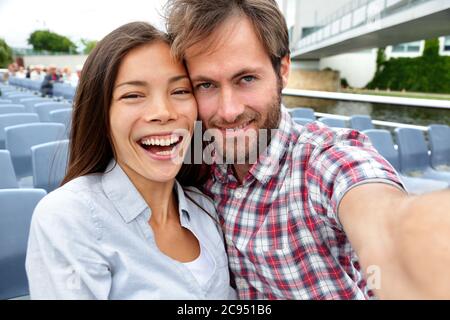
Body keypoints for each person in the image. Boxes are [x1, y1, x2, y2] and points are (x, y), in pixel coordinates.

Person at [165, 0, 450, 299]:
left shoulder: (323, 161)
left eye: (246, 79)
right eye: (207, 85)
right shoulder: (198, 165)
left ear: (283, 70)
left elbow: (386, 220)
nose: (228, 110)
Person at [25, 21, 236, 300]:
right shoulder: (68, 218)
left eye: (180, 91)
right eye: (133, 95)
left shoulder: (205, 209)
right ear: (102, 114)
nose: (163, 112)